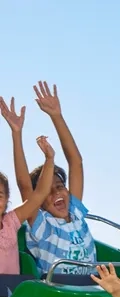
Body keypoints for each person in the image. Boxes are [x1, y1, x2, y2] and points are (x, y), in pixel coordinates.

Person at [0, 83, 95, 279]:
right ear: (40, 202)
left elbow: (76, 162)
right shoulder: (43, 225)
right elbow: (25, 186)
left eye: (60, 187)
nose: (56, 192)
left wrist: (56, 116)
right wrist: (17, 134)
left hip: (91, 289)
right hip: (57, 290)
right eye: (48, 191)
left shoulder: (76, 213)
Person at [0, 135, 56, 279]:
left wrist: (49, 159)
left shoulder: (10, 222)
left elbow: (40, 194)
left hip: (11, 290)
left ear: (7, 199)